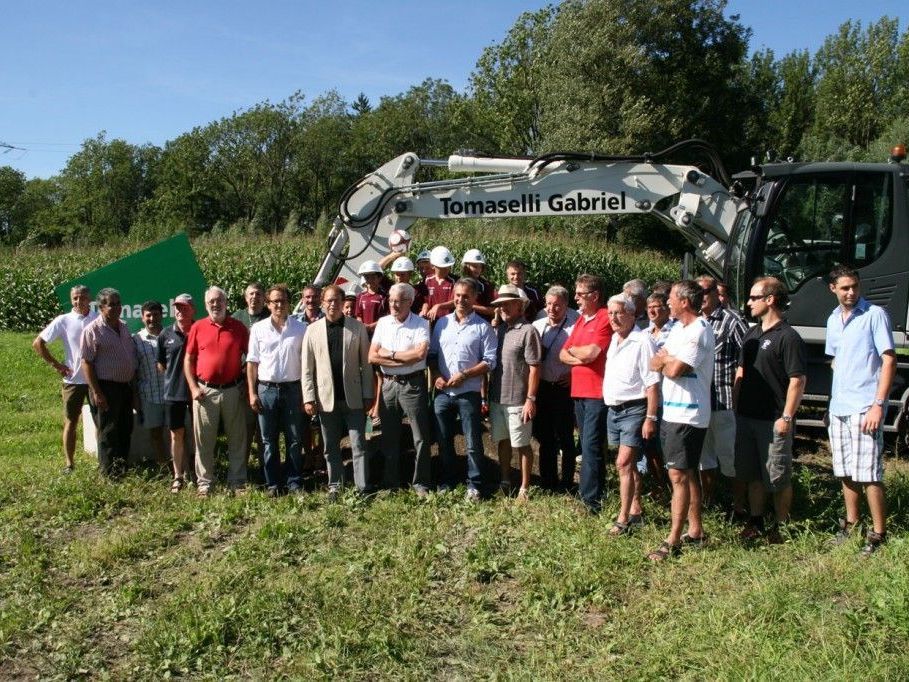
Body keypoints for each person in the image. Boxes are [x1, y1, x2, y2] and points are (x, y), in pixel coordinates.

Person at [825, 265, 896, 555]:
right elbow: (835, 361)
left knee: (868, 473)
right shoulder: (832, 319)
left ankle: (879, 533)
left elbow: (888, 360)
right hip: (840, 407)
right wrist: (832, 404)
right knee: (845, 471)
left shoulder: (874, 315)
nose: (851, 292)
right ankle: (852, 524)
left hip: (866, 406)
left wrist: (878, 406)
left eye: (854, 286)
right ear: (833, 289)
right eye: (844, 288)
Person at [734, 277, 807, 544]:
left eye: (754, 297)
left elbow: (797, 380)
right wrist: (736, 406)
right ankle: (755, 520)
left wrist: (787, 417)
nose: (749, 303)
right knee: (752, 474)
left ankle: (781, 525)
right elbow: (741, 372)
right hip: (746, 416)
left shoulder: (788, 337)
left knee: (777, 476)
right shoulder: (751, 334)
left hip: (773, 419)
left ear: (770, 300)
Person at [647, 280, 715, 561]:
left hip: (688, 413)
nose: (668, 303)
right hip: (674, 412)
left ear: (685, 302)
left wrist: (666, 360)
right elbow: (656, 362)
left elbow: (673, 368)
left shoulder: (698, 331)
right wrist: (665, 360)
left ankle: (673, 538)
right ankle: (696, 530)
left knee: (677, 475)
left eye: (672, 298)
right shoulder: (679, 330)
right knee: (686, 473)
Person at [302, 284, 374, 499]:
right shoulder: (312, 330)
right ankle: (335, 485)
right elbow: (307, 368)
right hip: (325, 399)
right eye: (329, 301)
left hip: (353, 397)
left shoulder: (357, 328)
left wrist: (368, 394)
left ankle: (362, 486)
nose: (333, 304)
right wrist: (309, 397)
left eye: (337, 300)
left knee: (358, 443)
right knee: (330, 445)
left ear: (344, 303)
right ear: (322, 303)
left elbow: (367, 365)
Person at [430, 278, 497, 500]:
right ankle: (448, 480)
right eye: (457, 295)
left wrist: (465, 374)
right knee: (444, 440)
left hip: (468, 393)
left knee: (472, 442)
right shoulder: (442, 324)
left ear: (475, 298)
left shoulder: (483, 327)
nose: (460, 300)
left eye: (466, 296)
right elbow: (432, 355)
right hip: (443, 394)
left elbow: (489, 361)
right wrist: (437, 376)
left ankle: (474, 484)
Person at [602, 294, 660, 535]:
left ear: (631, 314)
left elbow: (652, 384)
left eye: (619, 313)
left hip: (634, 409)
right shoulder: (614, 340)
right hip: (613, 409)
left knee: (623, 463)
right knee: (630, 464)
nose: (614, 318)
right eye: (610, 313)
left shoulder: (642, 341)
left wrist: (650, 417)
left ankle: (622, 519)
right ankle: (636, 508)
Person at [184, 286, 249, 497]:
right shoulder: (198, 327)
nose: (215, 304)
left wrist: (246, 384)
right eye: (211, 301)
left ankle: (237, 481)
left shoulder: (238, 327)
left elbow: (251, 358)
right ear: (205, 305)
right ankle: (205, 482)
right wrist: (193, 387)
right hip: (205, 392)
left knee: (237, 438)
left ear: (226, 302)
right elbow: (189, 359)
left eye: (219, 300)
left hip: (233, 390)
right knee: (204, 440)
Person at [368, 283, 433, 495]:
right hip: (388, 385)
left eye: (399, 301)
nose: (394, 305)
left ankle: (421, 482)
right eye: (391, 300)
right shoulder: (383, 323)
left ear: (410, 301)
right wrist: (402, 358)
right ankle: (390, 481)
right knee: (389, 435)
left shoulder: (421, 324)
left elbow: (419, 355)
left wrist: (391, 355)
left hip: (412, 385)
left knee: (420, 436)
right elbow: (372, 356)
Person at [247, 284, 308, 496]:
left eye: (282, 301)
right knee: (268, 440)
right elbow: (252, 363)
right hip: (267, 390)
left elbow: (307, 363)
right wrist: (252, 393)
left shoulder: (301, 329)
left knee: (294, 439)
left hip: (293, 389)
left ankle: (294, 482)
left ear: (289, 303)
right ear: (268, 304)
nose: (279, 305)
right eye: (275, 301)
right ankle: (272, 483)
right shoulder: (258, 329)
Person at [559, 274, 612, 514]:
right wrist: (578, 354)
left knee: (590, 445)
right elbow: (562, 353)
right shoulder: (581, 321)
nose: (576, 298)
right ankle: (596, 491)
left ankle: (590, 500)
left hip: (596, 393)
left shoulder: (603, 319)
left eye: (580, 294)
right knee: (589, 445)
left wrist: (575, 353)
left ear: (595, 296)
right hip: (578, 392)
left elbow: (592, 353)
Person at [697, 275, 749, 513]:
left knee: (731, 458)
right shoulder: (694, 322)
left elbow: (747, 360)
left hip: (723, 399)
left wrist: (738, 397)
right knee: (704, 457)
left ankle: (739, 506)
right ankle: (708, 502)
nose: (700, 297)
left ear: (716, 294)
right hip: (699, 402)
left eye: (705, 292)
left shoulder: (731, 320)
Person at [33, 284, 98, 472]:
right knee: (71, 421)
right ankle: (70, 464)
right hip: (73, 381)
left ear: (90, 299)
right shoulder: (64, 320)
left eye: (83, 297)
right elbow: (38, 343)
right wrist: (57, 365)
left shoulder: (98, 318)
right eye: (75, 298)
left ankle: (103, 461)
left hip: (96, 380)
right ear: (71, 300)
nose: (79, 301)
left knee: (100, 421)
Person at [489, 284, 542, 501]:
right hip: (497, 397)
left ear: (520, 305)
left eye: (507, 304)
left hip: (518, 398)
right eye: (500, 305)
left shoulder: (528, 331)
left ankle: (524, 487)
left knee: (521, 443)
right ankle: (505, 480)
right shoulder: (500, 330)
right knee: (502, 441)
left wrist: (531, 398)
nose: (503, 308)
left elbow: (535, 367)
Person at [80, 287, 137, 477]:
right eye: (111, 304)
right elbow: (86, 363)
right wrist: (97, 392)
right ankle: (108, 473)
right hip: (105, 387)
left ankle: (121, 467)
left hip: (124, 387)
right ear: (101, 307)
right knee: (108, 431)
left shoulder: (123, 326)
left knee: (124, 427)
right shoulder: (93, 330)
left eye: (118, 303)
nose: (116, 308)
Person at [531, 285, 579, 491]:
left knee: (566, 437)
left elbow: (585, 357)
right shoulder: (537, 325)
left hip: (563, 389)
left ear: (566, 306)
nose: (552, 309)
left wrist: (573, 374)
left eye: (557, 305)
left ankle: (567, 481)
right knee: (545, 437)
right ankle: (547, 481)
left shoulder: (575, 326)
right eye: (549, 304)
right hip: (543, 388)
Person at [156, 293, 196, 493]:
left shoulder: (200, 329)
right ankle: (178, 476)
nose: (181, 311)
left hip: (198, 392)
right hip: (174, 393)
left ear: (193, 310)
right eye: (178, 308)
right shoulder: (165, 334)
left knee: (198, 435)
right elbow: (161, 365)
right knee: (176, 435)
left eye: (185, 308)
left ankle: (198, 473)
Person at [133, 300, 168, 467]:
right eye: (148, 315)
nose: (152, 318)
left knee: (177, 432)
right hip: (149, 394)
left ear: (162, 315)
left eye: (155, 315)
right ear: (142, 317)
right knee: (155, 433)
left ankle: (179, 465)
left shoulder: (170, 336)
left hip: (171, 394)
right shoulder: (136, 340)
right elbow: (134, 371)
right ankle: (163, 464)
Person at [422, 246, 458, 322]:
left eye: (448, 267)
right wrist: (424, 308)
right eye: (442, 267)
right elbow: (426, 300)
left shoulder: (455, 280)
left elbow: (456, 301)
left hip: (449, 321)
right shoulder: (428, 280)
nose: (446, 269)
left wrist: (439, 306)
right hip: (431, 320)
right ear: (433, 266)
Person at [355, 260, 390, 334]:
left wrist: (371, 327)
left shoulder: (384, 297)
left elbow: (387, 318)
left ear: (379, 278)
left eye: (373, 277)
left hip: (379, 334)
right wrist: (362, 327)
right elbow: (358, 316)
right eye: (367, 277)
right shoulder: (360, 296)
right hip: (363, 333)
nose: (370, 280)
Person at [461, 249, 496, 320]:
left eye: (480, 267)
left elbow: (493, 310)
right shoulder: (458, 283)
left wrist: (471, 307)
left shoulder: (486, 285)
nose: (478, 270)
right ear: (466, 266)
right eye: (475, 266)